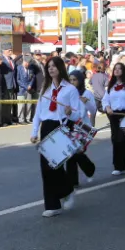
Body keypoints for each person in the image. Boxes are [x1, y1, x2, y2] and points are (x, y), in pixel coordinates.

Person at [30, 57, 80, 217]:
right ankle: (52, 204)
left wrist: (70, 112)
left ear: (60, 68)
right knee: (45, 168)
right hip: (46, 127)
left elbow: (77, 113)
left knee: (54, 165)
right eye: (48, 66)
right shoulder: (45, 89)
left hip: (61, 127)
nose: (51, 69)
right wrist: (34, 132)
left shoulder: (70, 89)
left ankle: (67, 190)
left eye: (54, 66)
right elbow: (38, 113)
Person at [102, 62, 125, 175]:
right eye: (115, 69)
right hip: (114, 114)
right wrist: (107, 107)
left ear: (124, 71)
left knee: (122, 138)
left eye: (120, 68)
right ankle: (119, 166)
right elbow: (105, 99)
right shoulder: (111, 85)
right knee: (115, 139)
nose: (117, 70)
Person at [66, 71, 97, 191]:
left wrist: (86, 102)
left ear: (80, 80)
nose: (72, 82)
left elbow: (93, 110)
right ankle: (72, 181)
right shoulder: (68, 94)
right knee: (70, 153)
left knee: (76, 152)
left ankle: (89, 168)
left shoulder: (87, 93)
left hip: (82, 127)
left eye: (75, 80)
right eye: (70, 80)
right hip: (70, 125)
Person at [16, 57, 33, 124]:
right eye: (26, 63)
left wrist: (30, 85)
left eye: (28, 63)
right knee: (21, 105)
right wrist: (25, 86)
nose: (27, 64)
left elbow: (33, 77)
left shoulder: (30, 68)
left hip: (29, 89)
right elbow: (18, 80)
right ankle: (21, 119)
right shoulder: (19, 68)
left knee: (29, 105)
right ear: (23, 62)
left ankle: (28, 118)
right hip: (21, 89)